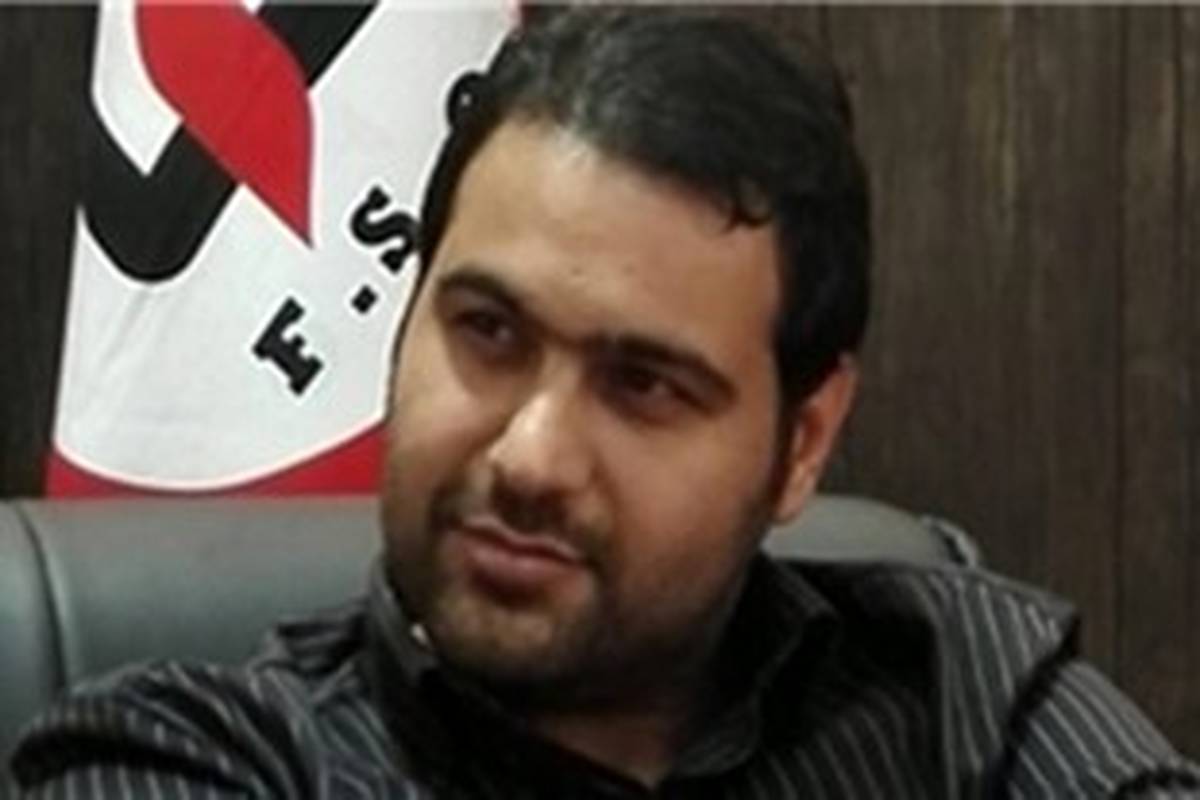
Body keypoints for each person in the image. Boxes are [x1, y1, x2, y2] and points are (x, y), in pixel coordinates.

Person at [9, 7, 1200, 798]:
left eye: (643, 384)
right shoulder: (187, 755)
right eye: (487, 331)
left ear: (803, 440)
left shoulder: (963, 685)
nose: (530, 454)